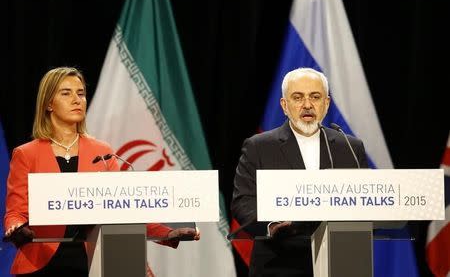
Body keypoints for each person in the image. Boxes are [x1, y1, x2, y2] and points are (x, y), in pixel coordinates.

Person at [3, 67, 199, 276]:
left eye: (81, 93)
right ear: (49, 103)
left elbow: (123, 209)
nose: (77, 100)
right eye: (66, 93)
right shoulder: (26, 154)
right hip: (41, 262)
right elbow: (15, 212)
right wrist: (17, 227)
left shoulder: (103, 152)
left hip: (94, 262)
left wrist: (168, 233)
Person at [231, 67, 368, 277]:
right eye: (297, 97)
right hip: (279, 262)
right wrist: (272, 226)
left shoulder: (349, 146)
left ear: (326, 103)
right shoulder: (259, 146)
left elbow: (365, 200)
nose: (307, 105)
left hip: (340, 260)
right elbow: (243, 201)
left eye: (315, 97)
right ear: (284, 105)